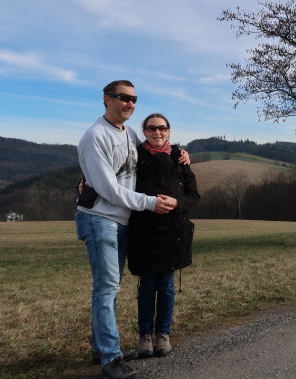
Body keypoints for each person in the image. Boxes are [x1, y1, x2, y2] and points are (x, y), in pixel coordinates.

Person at [75, 80, 185, 379]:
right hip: (100, 219)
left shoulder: (130, 133)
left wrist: (180, 154)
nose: (130, 103)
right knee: (107, 287)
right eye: (123, 98)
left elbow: (153, 151)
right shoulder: (95, 135)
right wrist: (149, 203)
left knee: (109, 288)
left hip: (123, 220)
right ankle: (110, 360)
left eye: (134, 99)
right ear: (106, 100)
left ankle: (101, 347)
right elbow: (109, 189)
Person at [127, 113, 200, 359]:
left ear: (169, 131)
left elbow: (194, 196)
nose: (157, 132)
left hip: (173, 231)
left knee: (166, 287)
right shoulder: (134, 155)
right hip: (144, 229)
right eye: (151, 128)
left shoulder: (180, 158)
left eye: (162, 128)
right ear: (144, 131)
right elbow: (113, 178)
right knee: (147, 286)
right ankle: (145, 336)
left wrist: (177, 202)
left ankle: (163, 335)